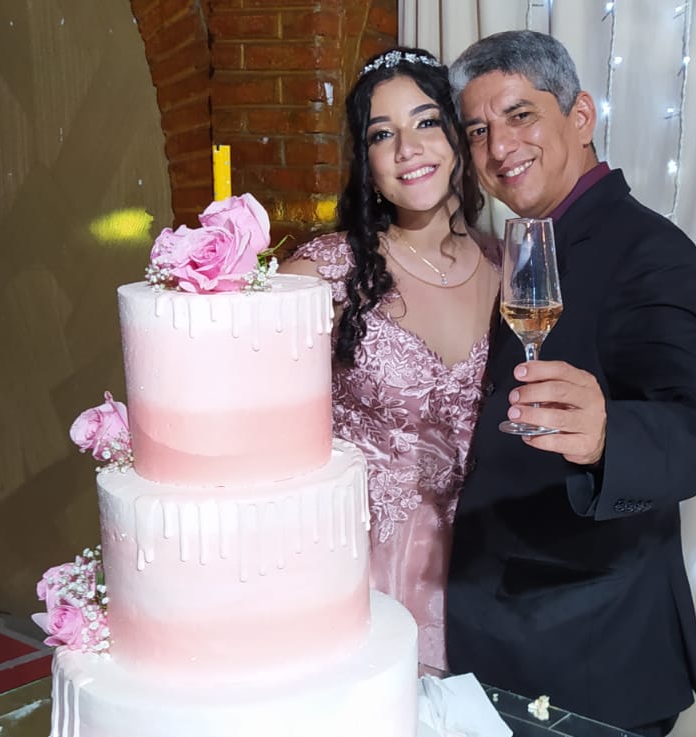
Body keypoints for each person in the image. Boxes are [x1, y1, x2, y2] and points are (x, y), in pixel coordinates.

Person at [444, 31, 696, 737]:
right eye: (479, 130)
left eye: (521, 115)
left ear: (580, 116)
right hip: (493, 636)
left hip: (586, 655)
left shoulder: (648, 250)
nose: (499, 148)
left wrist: (610, 434)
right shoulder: (521, 245)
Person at [281, 47, 498, 674]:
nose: (408, 148)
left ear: (459, 135)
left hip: (486, 578)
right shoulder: (324, 274)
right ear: (366, 162)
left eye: (426, 122)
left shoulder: (511, 268)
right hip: (361, 578)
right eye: (383, 134)